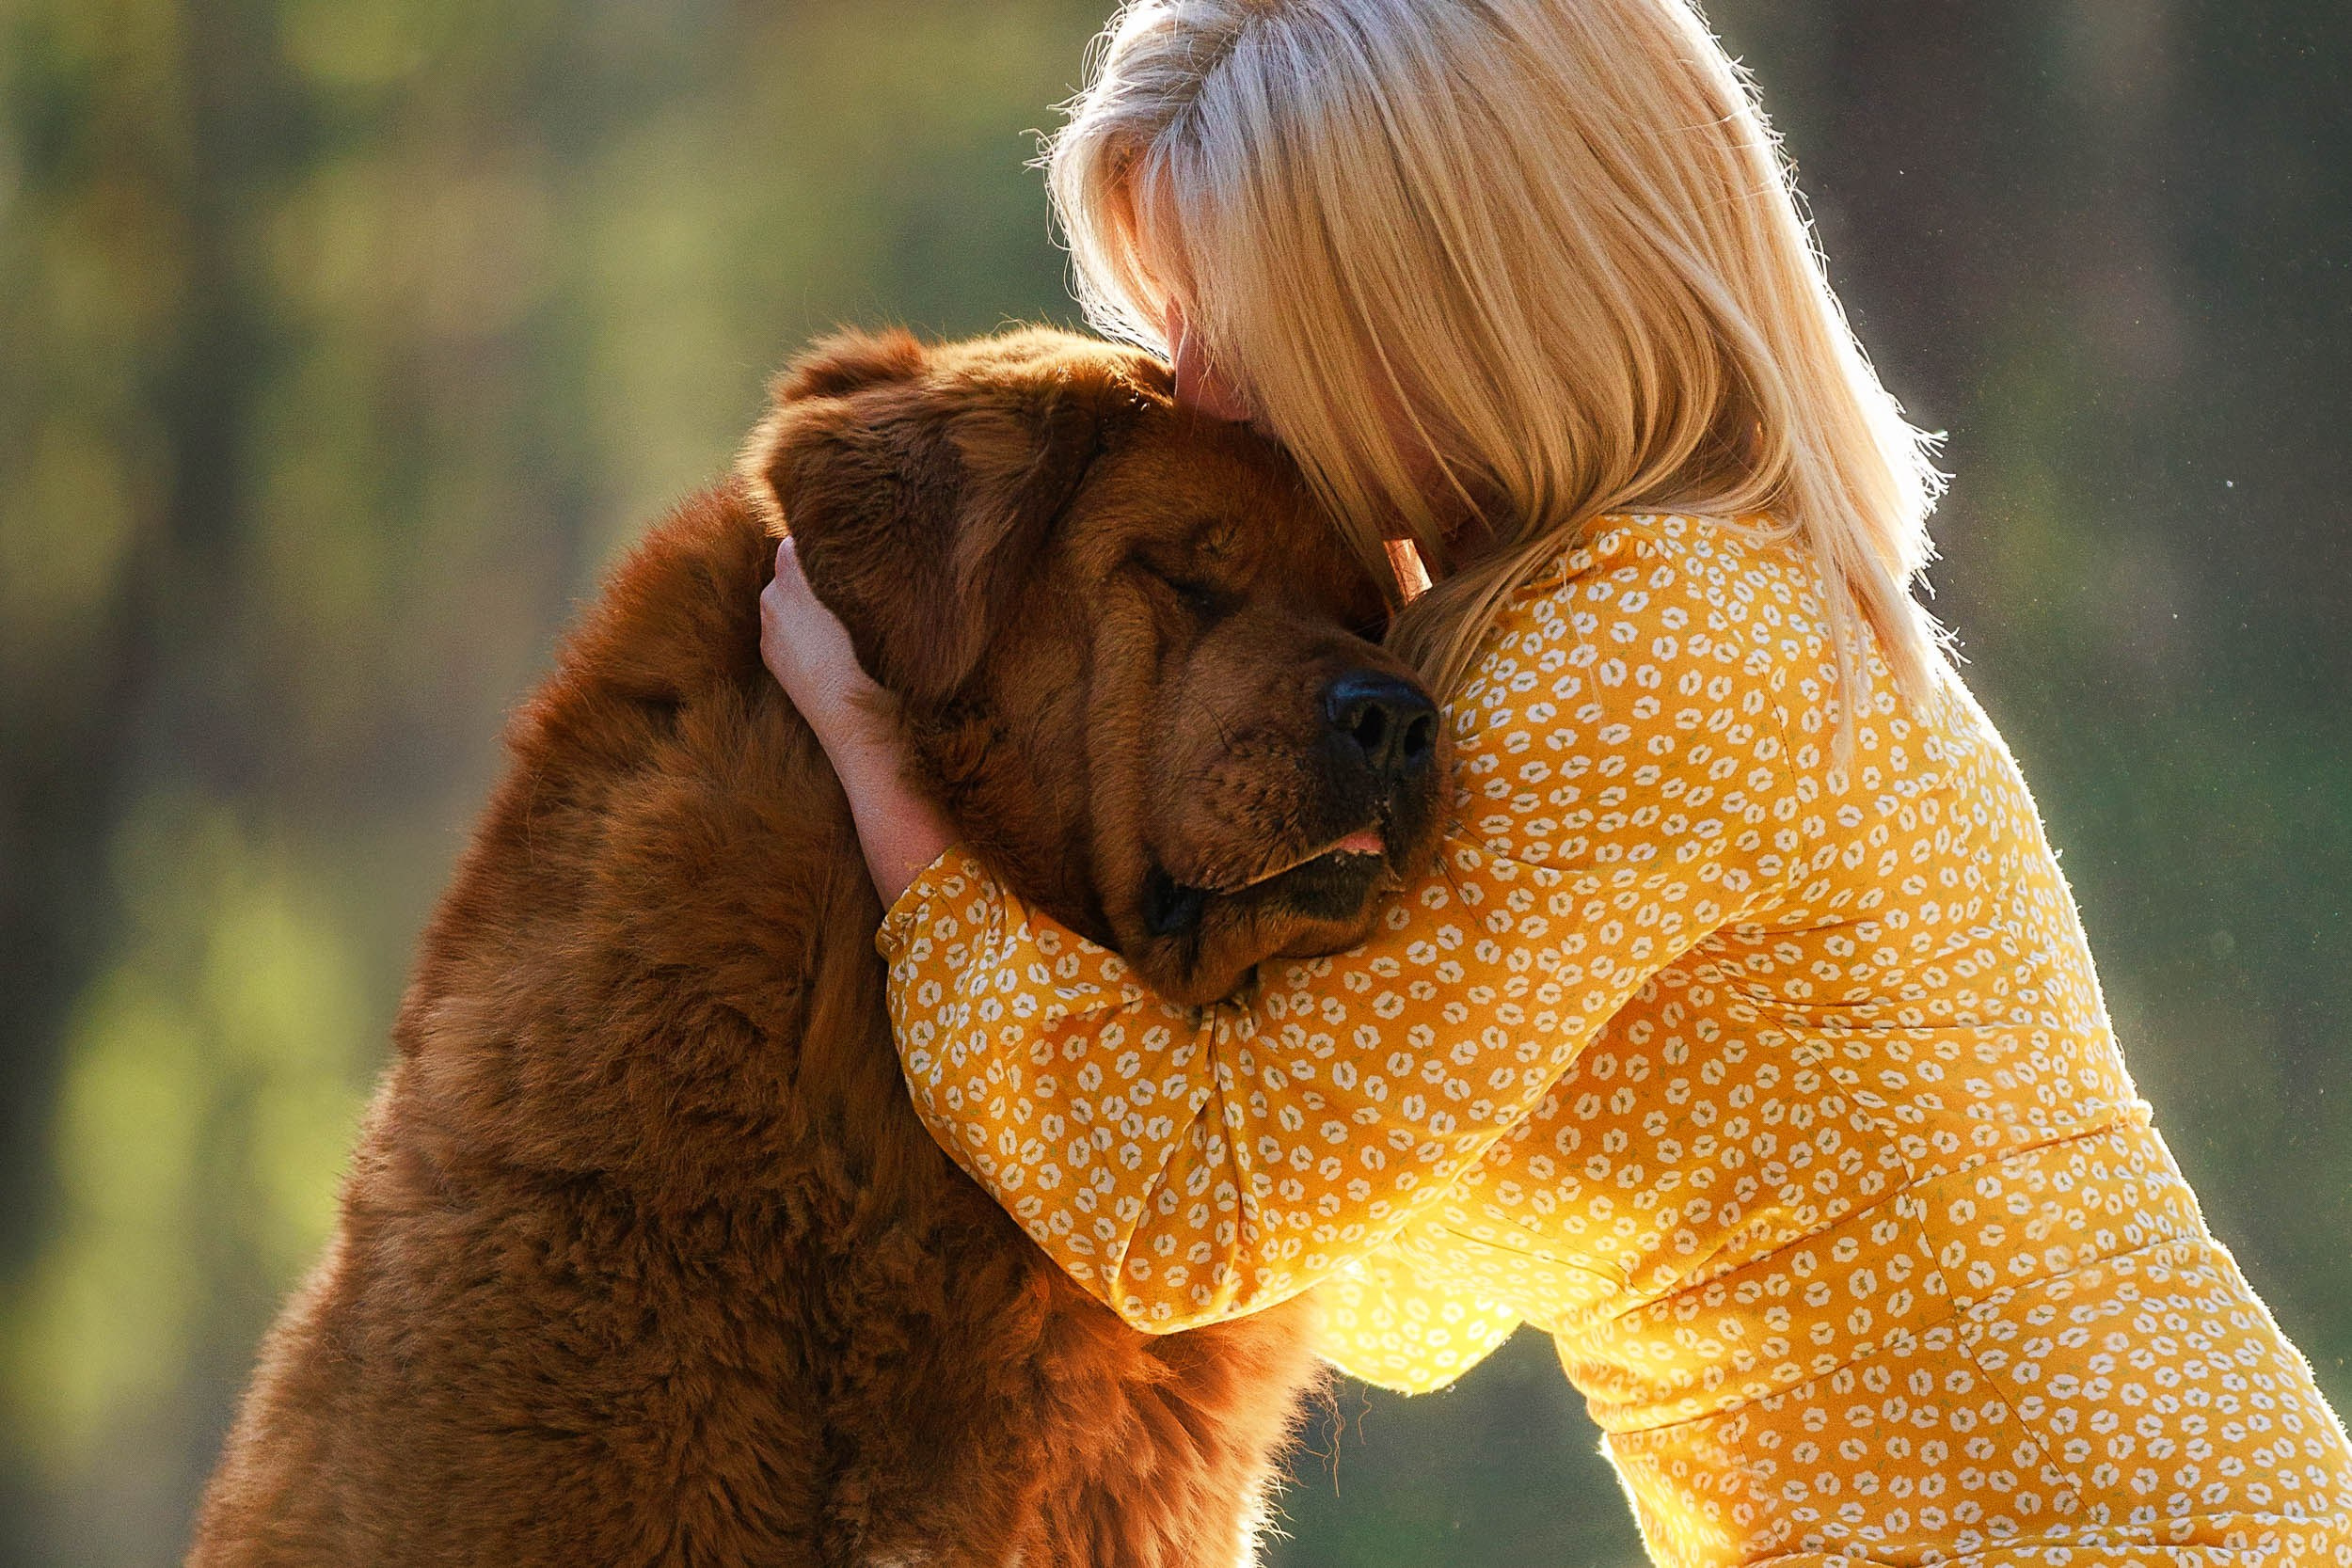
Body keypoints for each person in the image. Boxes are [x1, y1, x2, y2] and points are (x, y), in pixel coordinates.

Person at [758, 0, 2352, 1560]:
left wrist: (878, 765)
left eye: (1238, 323)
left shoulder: (1653, 648)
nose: (1199, 393)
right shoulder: (1653, 608)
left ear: (1467, 293)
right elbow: (1415, 1300)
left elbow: (1192, 1213)